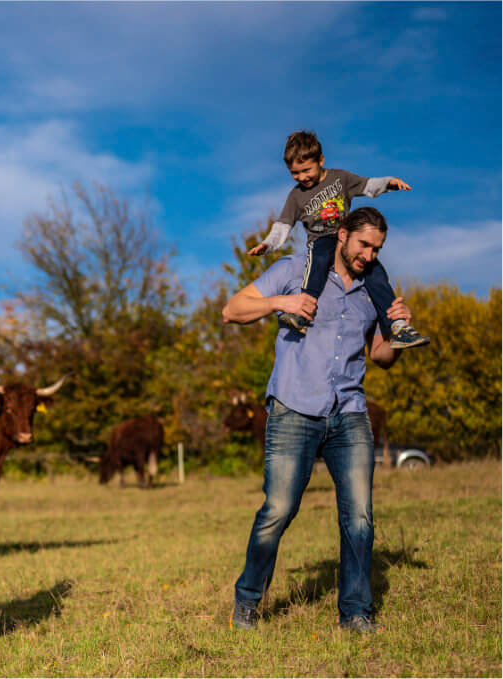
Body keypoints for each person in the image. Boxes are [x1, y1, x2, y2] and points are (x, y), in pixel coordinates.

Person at [222, 206, 412, 634]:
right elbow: (231, 310)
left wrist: (398, 331)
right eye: (363, 244)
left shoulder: (373, 290)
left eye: (376, 249)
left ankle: (357, 613)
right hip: (293, 409)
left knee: (360, 517)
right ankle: (248, 600)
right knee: (279, 509)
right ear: (341, 235)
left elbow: (380, 358)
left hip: (348, 414)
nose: (368, 255)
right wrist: (280, 301)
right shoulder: (297, 268)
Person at [248, 130, 429, 349]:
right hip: (321, 240)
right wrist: (268, 244)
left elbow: (367, 185)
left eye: (306, 170)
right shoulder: (296, 196)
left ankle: (398, 326)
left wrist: (388, 183)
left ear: (321, 160)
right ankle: (303, 315)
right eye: (295, 173)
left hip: (346, 239)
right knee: (320, 259)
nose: (302, 177)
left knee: (376, 273)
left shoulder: (340, 178)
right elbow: (284, 224)